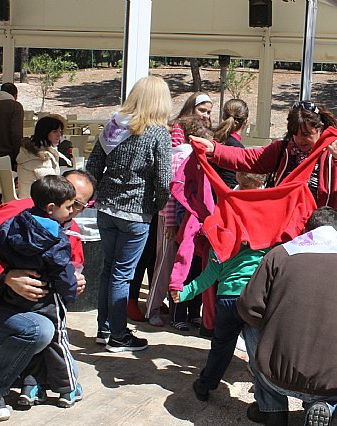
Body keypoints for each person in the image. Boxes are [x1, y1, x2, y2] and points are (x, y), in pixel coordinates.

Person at [0, 170, 95, 421]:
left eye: (81, 205)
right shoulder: (17, 212)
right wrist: (7, 275)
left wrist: (76, 281)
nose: (74, 209)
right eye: (71, 202)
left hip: (27, 309)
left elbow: (71, 273)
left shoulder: (69, 230)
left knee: (50, 336)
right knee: (39, 332)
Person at [190, 100, 337, 255]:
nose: (300, 139)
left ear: (320, 128)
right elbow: (248, 158)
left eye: (306, 134)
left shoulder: (334, 153)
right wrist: (215, 149)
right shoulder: (283, 149)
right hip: (289, 238)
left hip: (326, 239)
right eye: (295, 133)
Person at [237, 206, 337, 425]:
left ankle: (272, 408)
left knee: (249, 328)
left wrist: (273, 326)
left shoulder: (278, 255)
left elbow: (248, 307)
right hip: (328, 381)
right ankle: (325, 406)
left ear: (306, 230)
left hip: (275, 374)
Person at [86, 75, 173, 352]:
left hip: (107, 208)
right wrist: (159, 205)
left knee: (108, 272)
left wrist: (98, 195)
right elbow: (163, 180)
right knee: (122, 275)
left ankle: (104, 328)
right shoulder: (158, 133)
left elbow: (93, 166)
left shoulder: (114, 125)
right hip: (136, 213)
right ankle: (119, 335)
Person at [169, 172, 268, 402]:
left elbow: (207, 277)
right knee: (259, 350)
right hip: (255, 298)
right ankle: (266, 396)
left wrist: (183, 293)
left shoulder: (220, 240)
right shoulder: (265, 239)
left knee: (221, 346)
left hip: (227, 300)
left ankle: (205, 385)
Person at [0, 175, 82, 408]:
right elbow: (62, 270)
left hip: (18, 295)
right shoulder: (56, 236)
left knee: (33, 342)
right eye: (69, 206)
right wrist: (70, 293)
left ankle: (30, 387)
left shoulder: (13, 224)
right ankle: (68, 388)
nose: (72, 211)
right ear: (52, 209)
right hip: (48, 296)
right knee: (57, 340)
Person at [150, 115, 211, 329]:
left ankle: (181, 314)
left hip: (181, 221)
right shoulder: (183, 156)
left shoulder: (184, 154)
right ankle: (166, 311)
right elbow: (171, 191)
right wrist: (170, 222)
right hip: (182, 222)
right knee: (181, 268)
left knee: (183, 267)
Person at [17, 116, 66, 198]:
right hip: (34, 202)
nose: (59, 135)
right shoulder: (38, 157)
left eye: (60, 132)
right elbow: (52, 185)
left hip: (29, 197)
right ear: (44, 132)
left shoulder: (29, 150)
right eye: (55, 131)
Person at [211, 98, 249, 188]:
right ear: (246, 121)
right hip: (225, 196)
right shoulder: (238, 149)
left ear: (223, 118)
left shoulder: (213, 141)